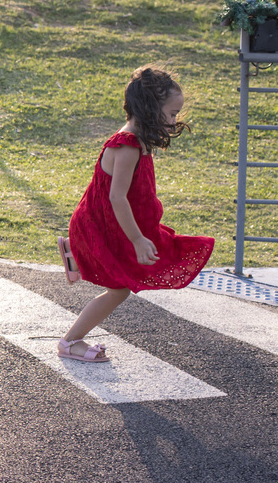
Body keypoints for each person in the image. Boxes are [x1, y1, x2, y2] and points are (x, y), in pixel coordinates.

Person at [55, 65, 215, 363]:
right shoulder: (127, 146)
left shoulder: (138, 140)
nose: (174, 120)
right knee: (119, 289)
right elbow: (116, 198)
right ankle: (70, 341)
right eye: (171, 113)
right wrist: (138, 239)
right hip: (106, 225)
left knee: (147, 261)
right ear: (150, 109)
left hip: (112, 224)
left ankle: (75, 251)